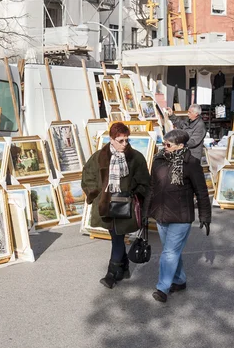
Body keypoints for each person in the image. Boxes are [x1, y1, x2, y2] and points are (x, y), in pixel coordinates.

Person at [144, 129, 211, 303]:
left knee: (169, 253)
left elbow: (202, 192)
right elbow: (152, 188)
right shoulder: (158, 160)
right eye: (163, 144)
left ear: (180, 146)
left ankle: (162, 288)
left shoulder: (191, 164)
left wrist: (205, 216)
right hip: (161, 214)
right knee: (171, 252)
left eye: (168, 145)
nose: (164, 147)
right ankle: (179, 281)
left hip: (181, 217)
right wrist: (145, 211)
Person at [82, 122, 151, 289]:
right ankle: (125, 267)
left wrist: (134, 191)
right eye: (120, 140)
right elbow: (87, 176)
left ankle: (111, 274)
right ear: (111, 139)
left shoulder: (136, 157)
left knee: (118, 237)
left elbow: (145, 182)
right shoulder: (99, 156)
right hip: (105, 205)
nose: (125, 144)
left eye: (127, 140)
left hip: (125, 204)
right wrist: (96, 194)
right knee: (116, 236)